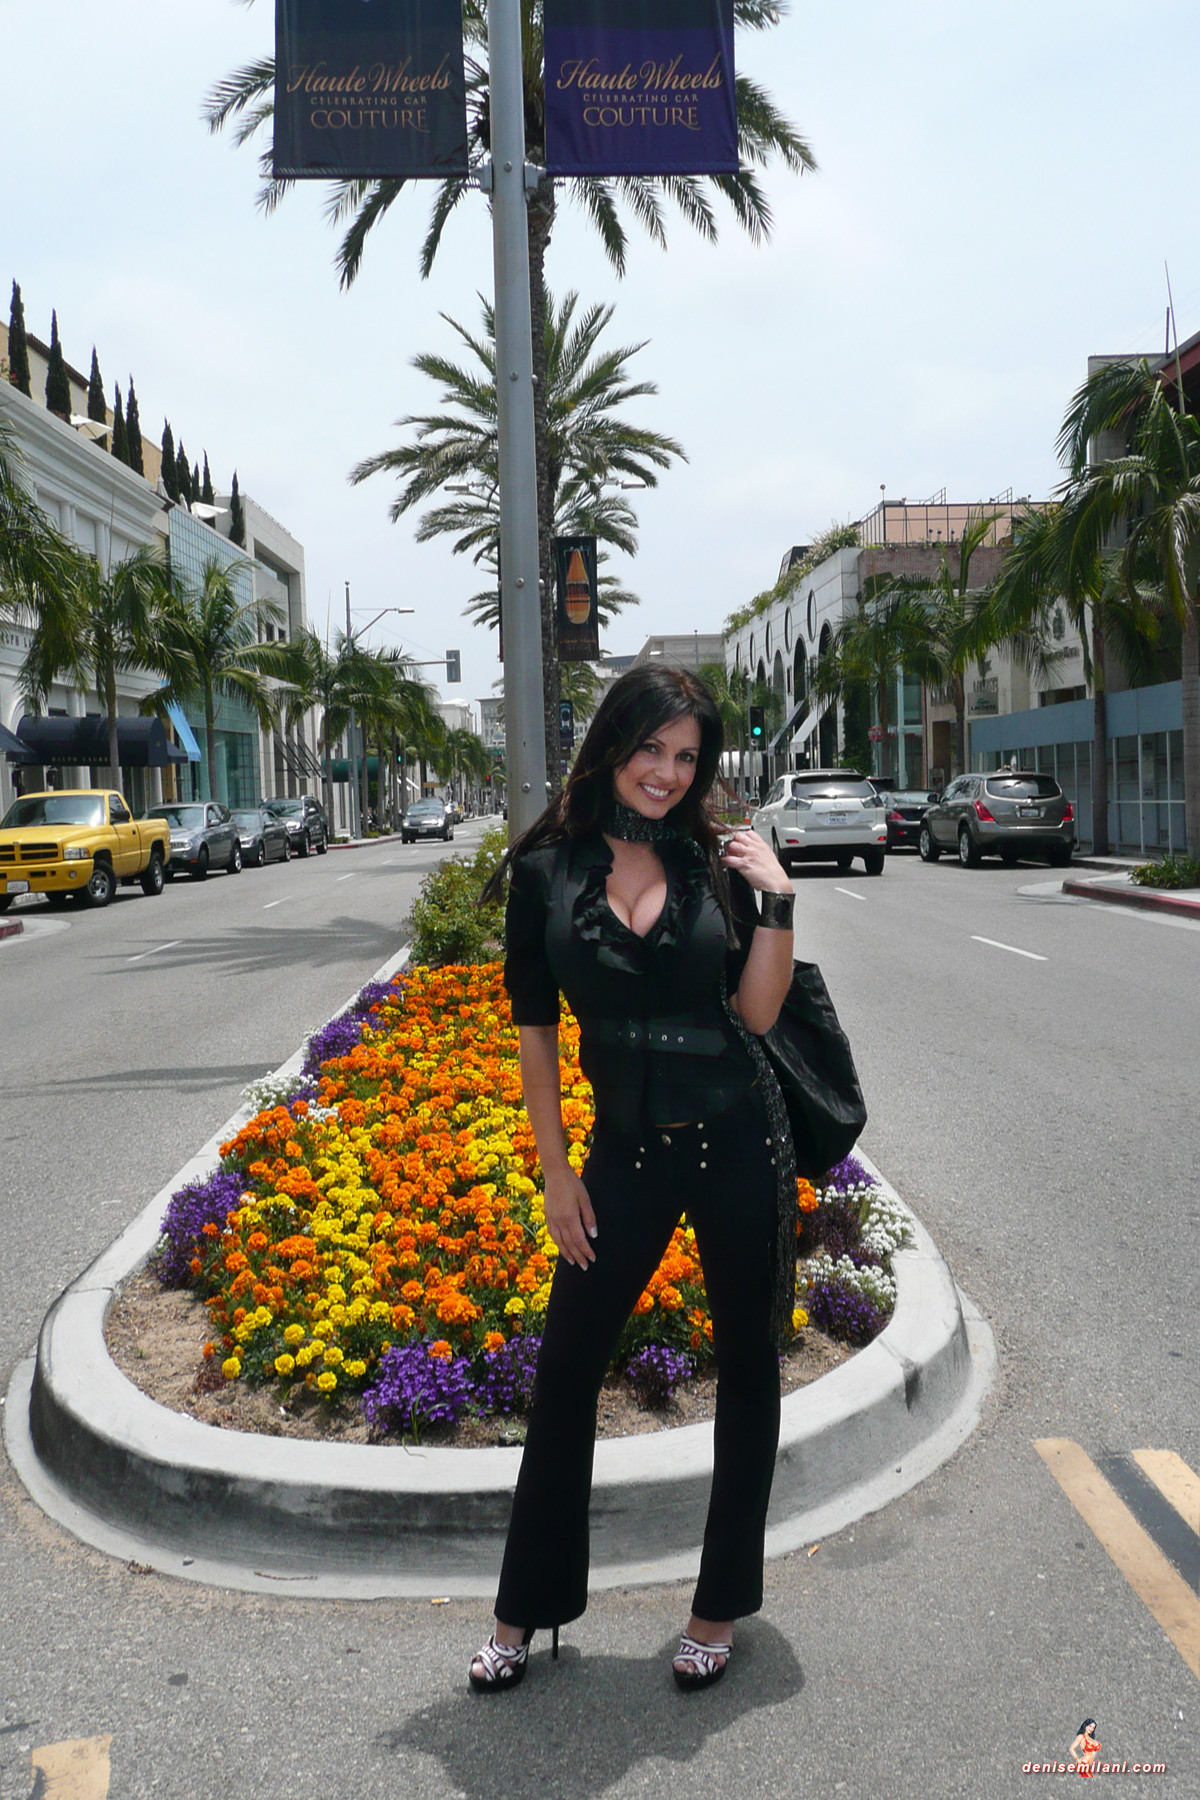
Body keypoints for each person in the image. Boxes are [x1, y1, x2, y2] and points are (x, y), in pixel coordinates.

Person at [470, 663, 796, 1695]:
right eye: (651, 748)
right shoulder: (548, 873)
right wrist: (555, 1171)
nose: (667, 772)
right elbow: (535, 1031)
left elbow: (756, 1015)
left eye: (687, 756)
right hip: (625, 1154)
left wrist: (778, 898)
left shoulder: (714, 862)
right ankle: (522, 1610)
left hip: (737, 1138)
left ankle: (717, 1608)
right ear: (613, 744)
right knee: (567, 1369)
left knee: (748, 1366)